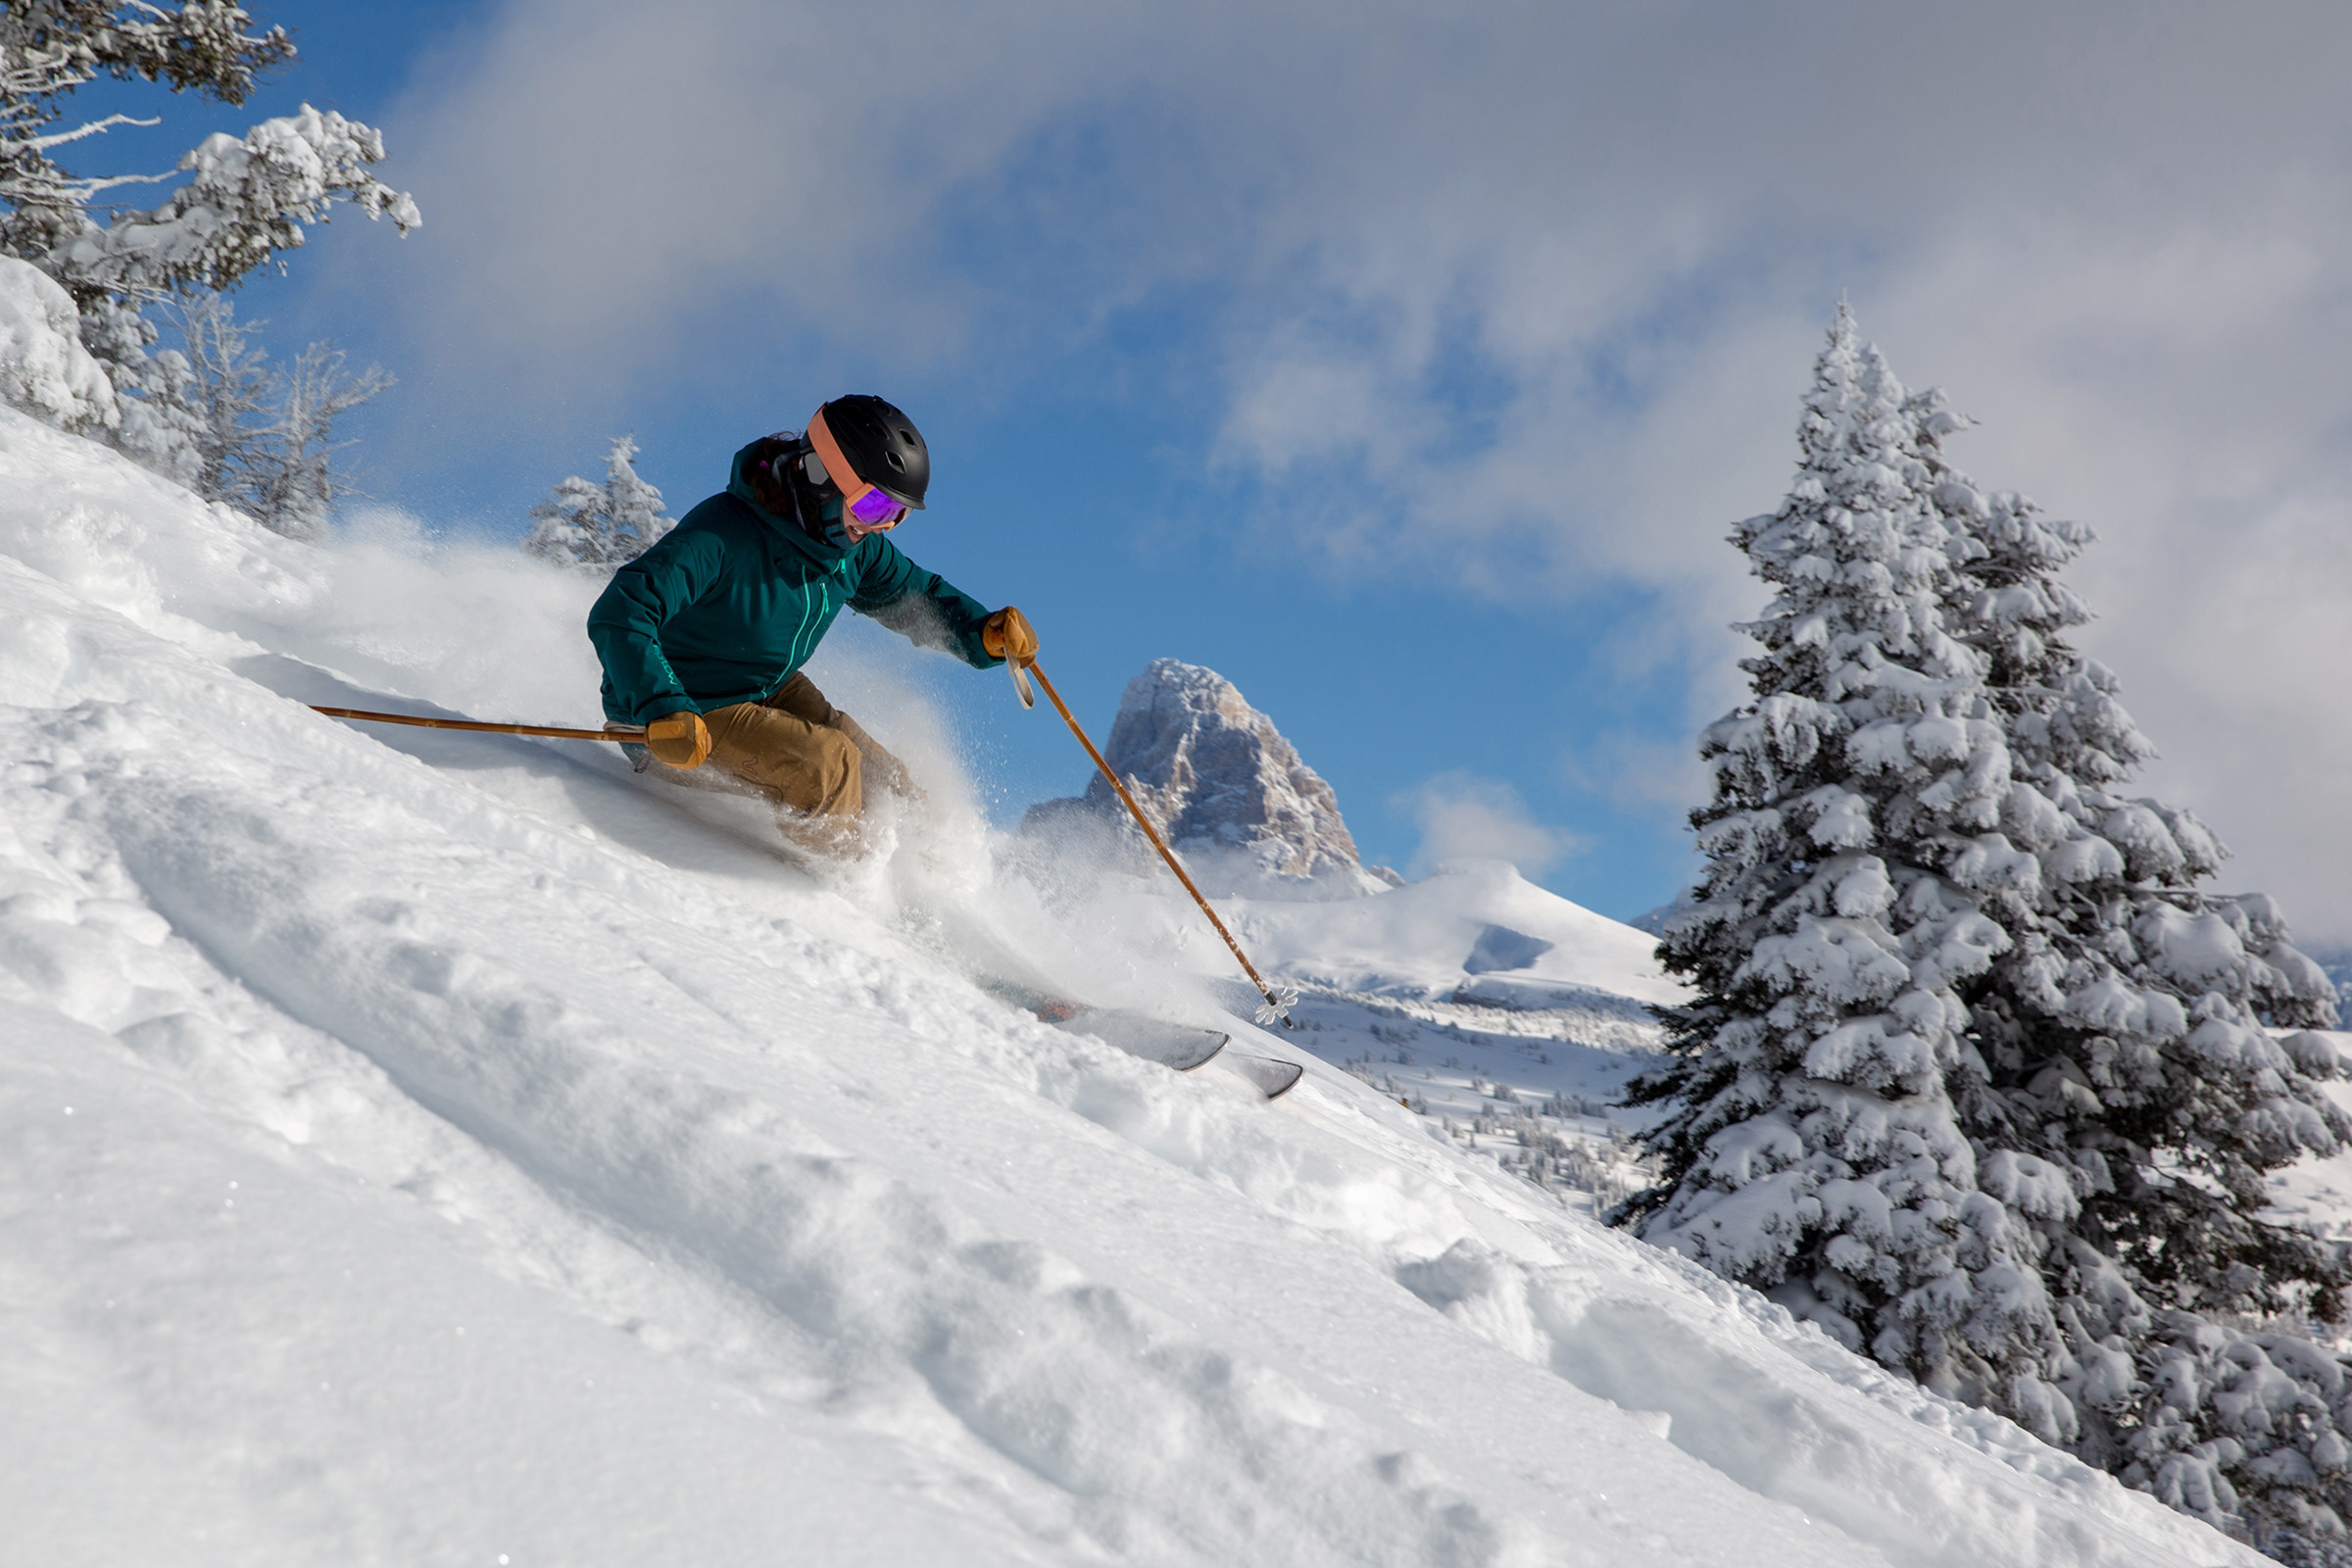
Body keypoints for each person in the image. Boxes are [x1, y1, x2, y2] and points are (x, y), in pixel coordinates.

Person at [586, 394, 1036, 854]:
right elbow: (621, 610)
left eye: (895, 516)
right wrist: (661, 704)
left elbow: (917, 598)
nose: (880, 526)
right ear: (825, 477)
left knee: (882, 777)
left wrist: (981, 633)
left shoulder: (851, 552)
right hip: (677, 714)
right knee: (830, 766)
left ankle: (932, 880)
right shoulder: (724, 533)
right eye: (875, 506)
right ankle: (839, 901)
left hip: (763, 684)